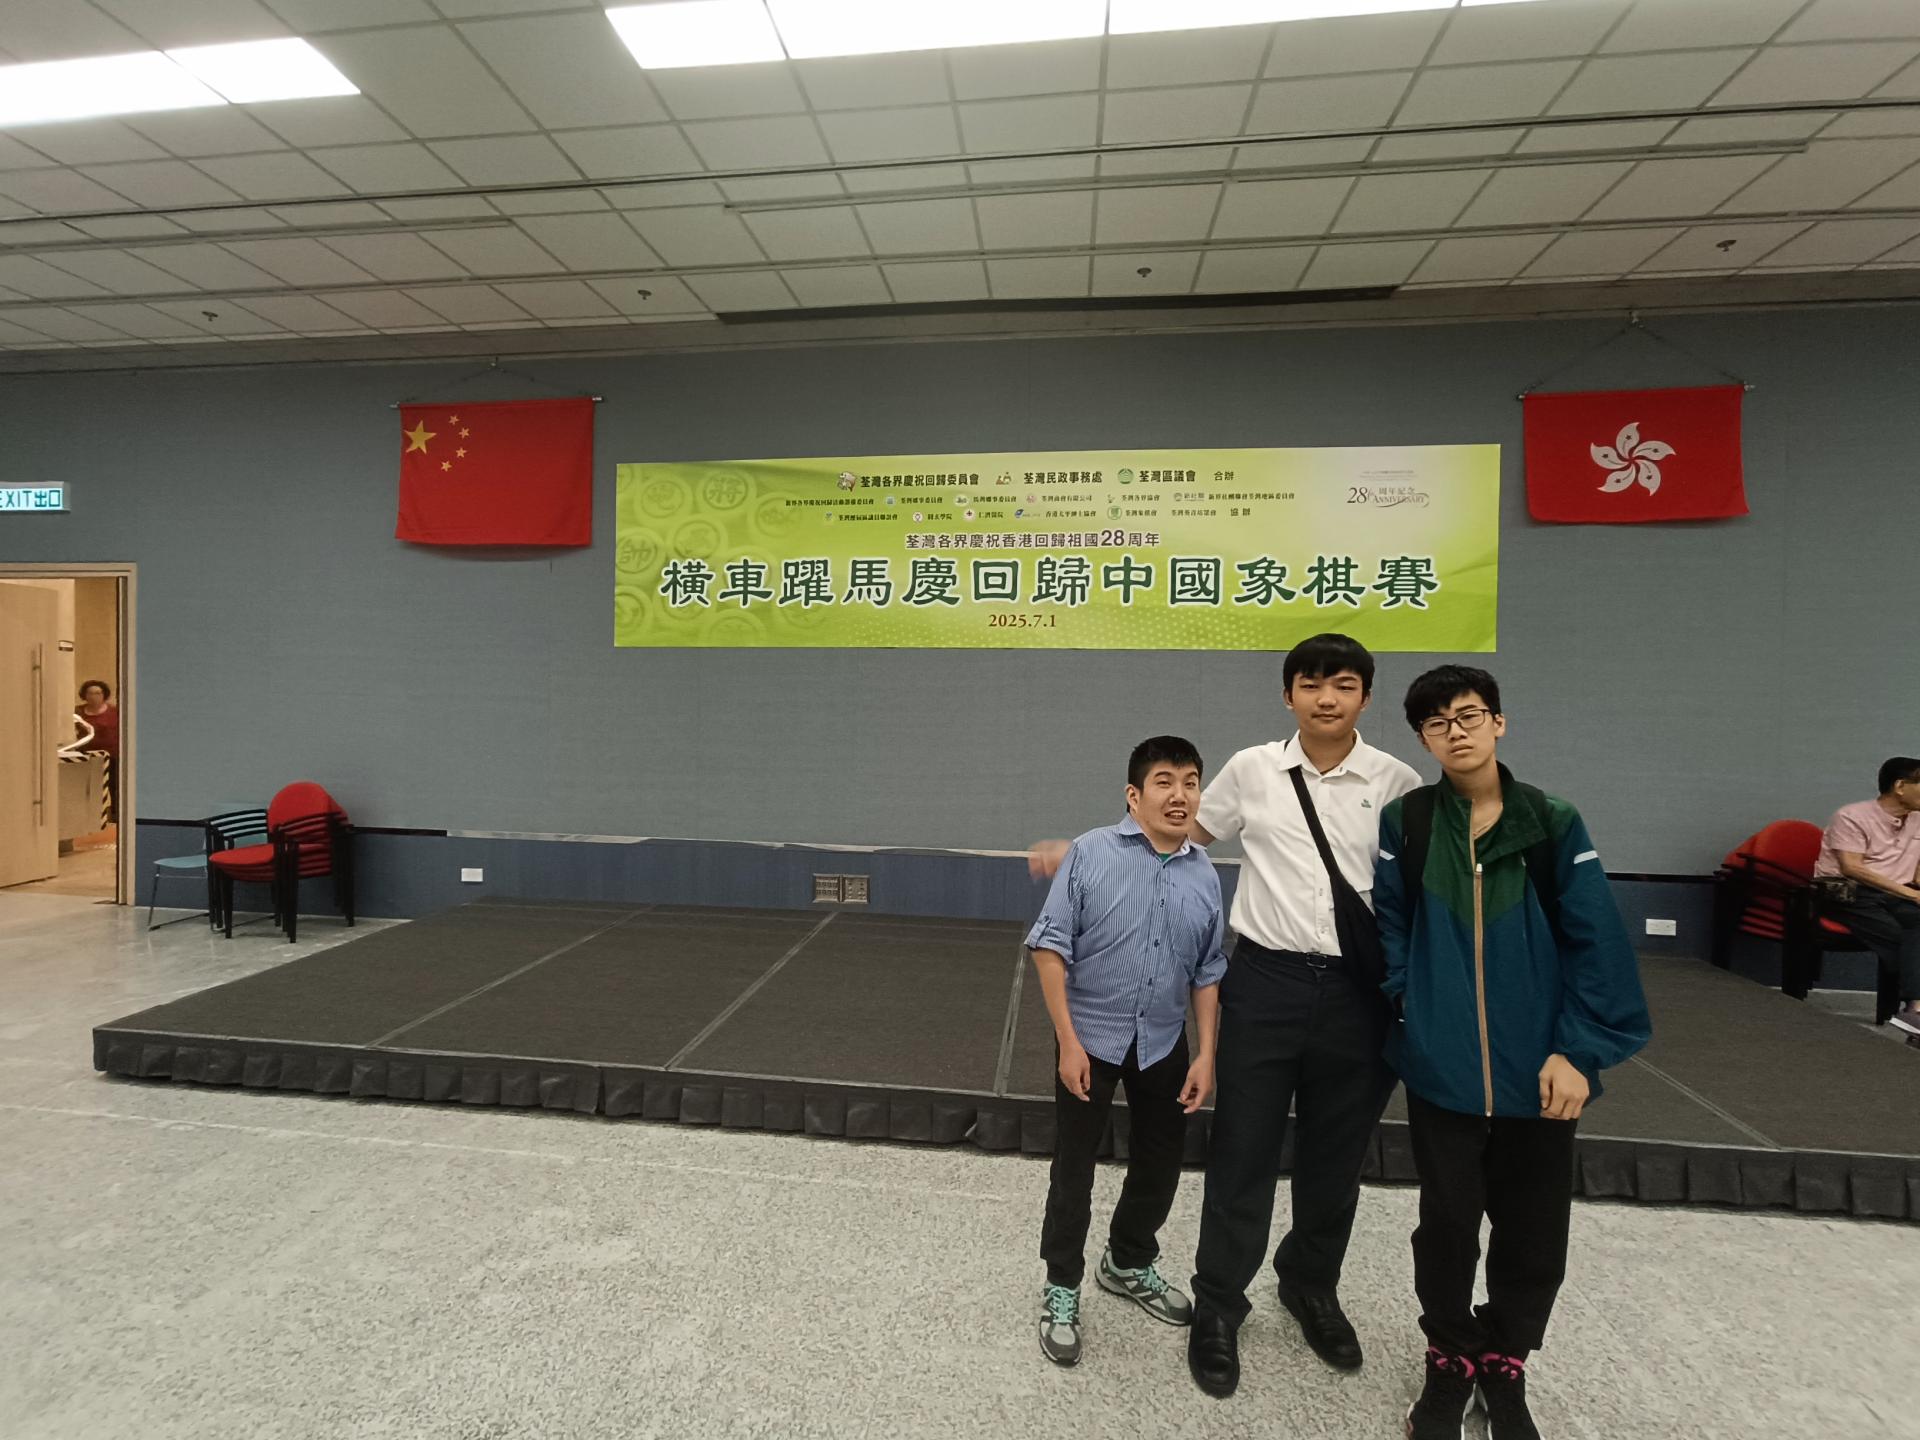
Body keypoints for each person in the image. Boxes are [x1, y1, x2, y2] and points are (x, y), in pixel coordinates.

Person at [1374, 665, 1651, 1440]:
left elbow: (1596, 942)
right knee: (1446, 1225)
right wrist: (1408, 999)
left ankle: (1505, 1361)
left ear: (1499, 722)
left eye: (1468, 715)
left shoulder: (1552, 822)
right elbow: (1390, 919)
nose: (1455, 732)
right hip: (1441, 1066)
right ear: (1423, 738)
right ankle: (1449, 1358)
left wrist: (1579, 1053)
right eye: (1437, 723)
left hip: (1542, 1071)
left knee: (1533, 1229)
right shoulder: (1408, 822)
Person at [1025, 735, 1227, 1368]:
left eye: (1190, 782)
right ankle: (1062, 1284)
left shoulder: (1205, 874)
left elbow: (1208, 972)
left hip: (1163, 1043)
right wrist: (1068, 1042)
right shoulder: (1091, 852)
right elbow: (1050, 948)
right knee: (1075, 1168)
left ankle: (1128, 1261)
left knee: (1160, 1163)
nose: (1179, 795)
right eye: (1164, 782)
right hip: (1090, 1038)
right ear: (1134, 796)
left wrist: (1206, 1055)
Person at [1815, 757, 1920, 1036]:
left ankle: (1914, 1012)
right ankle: (1914, 1012)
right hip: (1850, 893)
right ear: (1900, 786)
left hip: (1897, 894)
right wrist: (1912, 894)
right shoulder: (1851, 816)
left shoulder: (1918, 819)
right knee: (1906, 942)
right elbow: (1852, 868)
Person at [76, 679, 119, 825]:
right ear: (85, 695)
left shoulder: (115, 712)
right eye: (90, 693)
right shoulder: (77, 712)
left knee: (114, 786)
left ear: (104, 695)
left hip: (113, 756)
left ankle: (116, 816)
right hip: (87, 757)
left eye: (98, 693)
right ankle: (89, 816)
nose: (94, 696)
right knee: (89, 787)